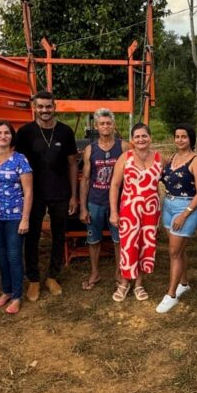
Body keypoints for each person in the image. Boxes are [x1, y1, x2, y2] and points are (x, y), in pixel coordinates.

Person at [16, 91, 78, 300]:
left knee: (59, 235)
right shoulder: (25, 133)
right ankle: (33, 280)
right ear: (35, 107)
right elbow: (18, 165)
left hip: (61, 192)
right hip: (33, 194)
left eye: (48, 106)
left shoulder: (65, 132)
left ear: (55, 107)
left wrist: (74, 196)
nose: (44, 110)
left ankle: (52, 275)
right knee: (31, 236)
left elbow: (72, 165)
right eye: (40, 106)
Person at [0, 121, 33, 315]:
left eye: (7, 133)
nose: (3, 136)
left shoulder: (20, 159)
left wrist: (25, 218)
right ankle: (6, 291)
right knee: (1, 254)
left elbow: (28, 191)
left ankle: (17, 296)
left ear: (12, 137)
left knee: (13, 255)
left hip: (14, 216)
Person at [109, 123, 163, 302]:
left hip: (151, 210)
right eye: (137, 137)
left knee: (146, 246)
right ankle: (124, 283)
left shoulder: (158, 158)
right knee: (128, 246)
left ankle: (139, 283)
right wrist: (114, 212)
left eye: (144, 136)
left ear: (150, 138)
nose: (141, 139)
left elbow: (165, 182)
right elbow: (115, 186)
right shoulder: (126, 157)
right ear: (132, 140)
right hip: (130, 210)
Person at [156, 124, 197, 313]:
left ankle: (171, 295)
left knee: (174, 252)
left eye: (183, 136)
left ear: (190, 139)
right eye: (177, 136)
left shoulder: (196, 161)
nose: (179, 140)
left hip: (186, 207)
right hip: (168, 205)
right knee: (178, 249)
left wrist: (184, 214)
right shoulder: (173, 158)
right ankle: (183, 283)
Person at [79, 108, 130, 290]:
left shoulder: (123, 147)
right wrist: (83, 208)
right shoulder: (90, 150)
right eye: (102, 123)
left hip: (118, 202)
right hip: (96, 200)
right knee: (93, 240)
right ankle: (95, 272)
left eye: (109, 123)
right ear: (96, 126)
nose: (106, 126)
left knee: (119, 240)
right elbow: (85, 179)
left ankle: (119, 271)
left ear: (113, 125)